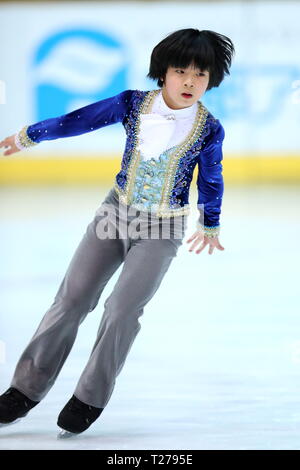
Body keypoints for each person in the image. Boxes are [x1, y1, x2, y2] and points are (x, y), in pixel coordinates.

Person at [0, 28, 235, 437]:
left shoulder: (209, 129)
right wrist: (30, 136)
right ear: (163, 72)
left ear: (211, 79)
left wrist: (210, 221)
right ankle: (24, 390)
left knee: (122, 310)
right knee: (71, 300)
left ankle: (89, 396)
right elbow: (79, 121)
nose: (190, 82)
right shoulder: (131, 104)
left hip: (163, 226)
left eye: (201, 74)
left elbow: (211, 177)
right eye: (181, 71)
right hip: (115, 212)